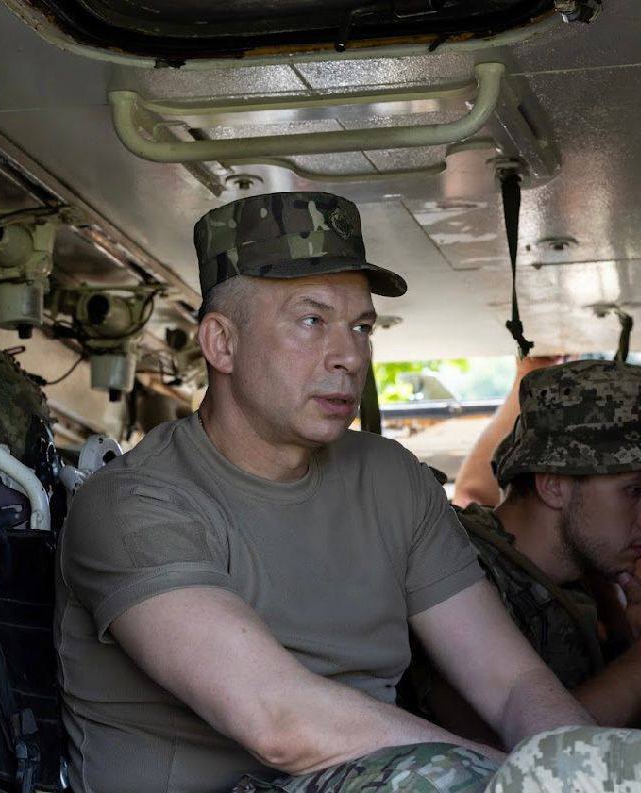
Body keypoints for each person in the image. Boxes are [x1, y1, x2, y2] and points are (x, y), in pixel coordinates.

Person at [55, 192, 593, 793]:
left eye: (361, 327)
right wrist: (521, 780)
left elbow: (513, 683)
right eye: (312, 322)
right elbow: (279, 724)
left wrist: (579, 770)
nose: (349, 357)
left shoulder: (392, 480)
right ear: (221, 344)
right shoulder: (134, 504)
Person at [404, 359, 641, 743]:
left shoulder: (580, 585)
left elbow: (614, 750)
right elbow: (510, 756)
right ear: (553, 486)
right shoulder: (459, 570)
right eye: (635, 490)